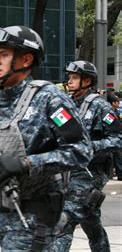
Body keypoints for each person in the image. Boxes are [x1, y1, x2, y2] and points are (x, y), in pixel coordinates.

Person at [0, 26, 92, 250]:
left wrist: (27, 163)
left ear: (26, 60)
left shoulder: (49, 98)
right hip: (2, 211)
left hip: (34, 214)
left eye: (3, 55)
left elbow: (81, 150)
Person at [50, 60, 122, 251]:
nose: (70, 81)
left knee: (64, 220)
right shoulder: (66, 105)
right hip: (68, 171)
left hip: (91, 173)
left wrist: (91, 147)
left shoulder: (100, 107)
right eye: (69, 78)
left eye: (75, 77)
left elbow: (118, 138)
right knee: (90, 221)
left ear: (87, 80)